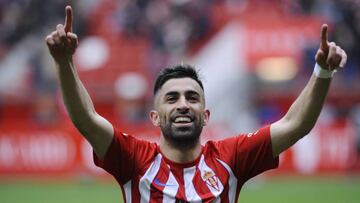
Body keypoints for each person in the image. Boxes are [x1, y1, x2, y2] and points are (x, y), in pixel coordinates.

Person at [45, 5, 347, 203]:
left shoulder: (232, 157)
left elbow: (295, 125)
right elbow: (86, 119)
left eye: (192, 97)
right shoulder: (134, 159)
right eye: (171, 98)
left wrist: (322, 72)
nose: (182, 105)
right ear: (154, 116)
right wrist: (64, 62)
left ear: (206, 114)